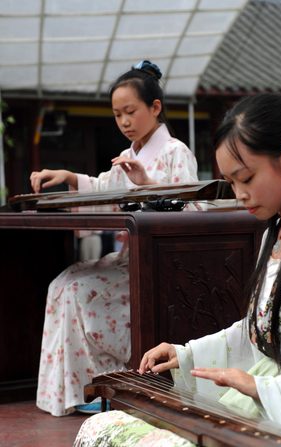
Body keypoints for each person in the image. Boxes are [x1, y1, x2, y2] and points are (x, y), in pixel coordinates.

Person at [74, 90, 281, 447]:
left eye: (247, 178)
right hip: (268, 409)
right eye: (232, 182)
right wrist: (186, 353)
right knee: (106, 427)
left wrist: (264, 388)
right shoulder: (276, 234)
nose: (239, 193)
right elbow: (260, 333)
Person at [29, 60, 200, 417]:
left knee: (79, 289)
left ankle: (103, 381)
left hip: (158, 266)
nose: (123, 121)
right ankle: (75, 389)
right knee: (62, 282)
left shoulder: (175, 153)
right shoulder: (129, 155)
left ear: (155, 108)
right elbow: (104, 186)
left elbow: (193, 211)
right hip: (130, 260)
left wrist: (148, 185)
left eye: (130, 111)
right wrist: (67, 175)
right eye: (117, 114)